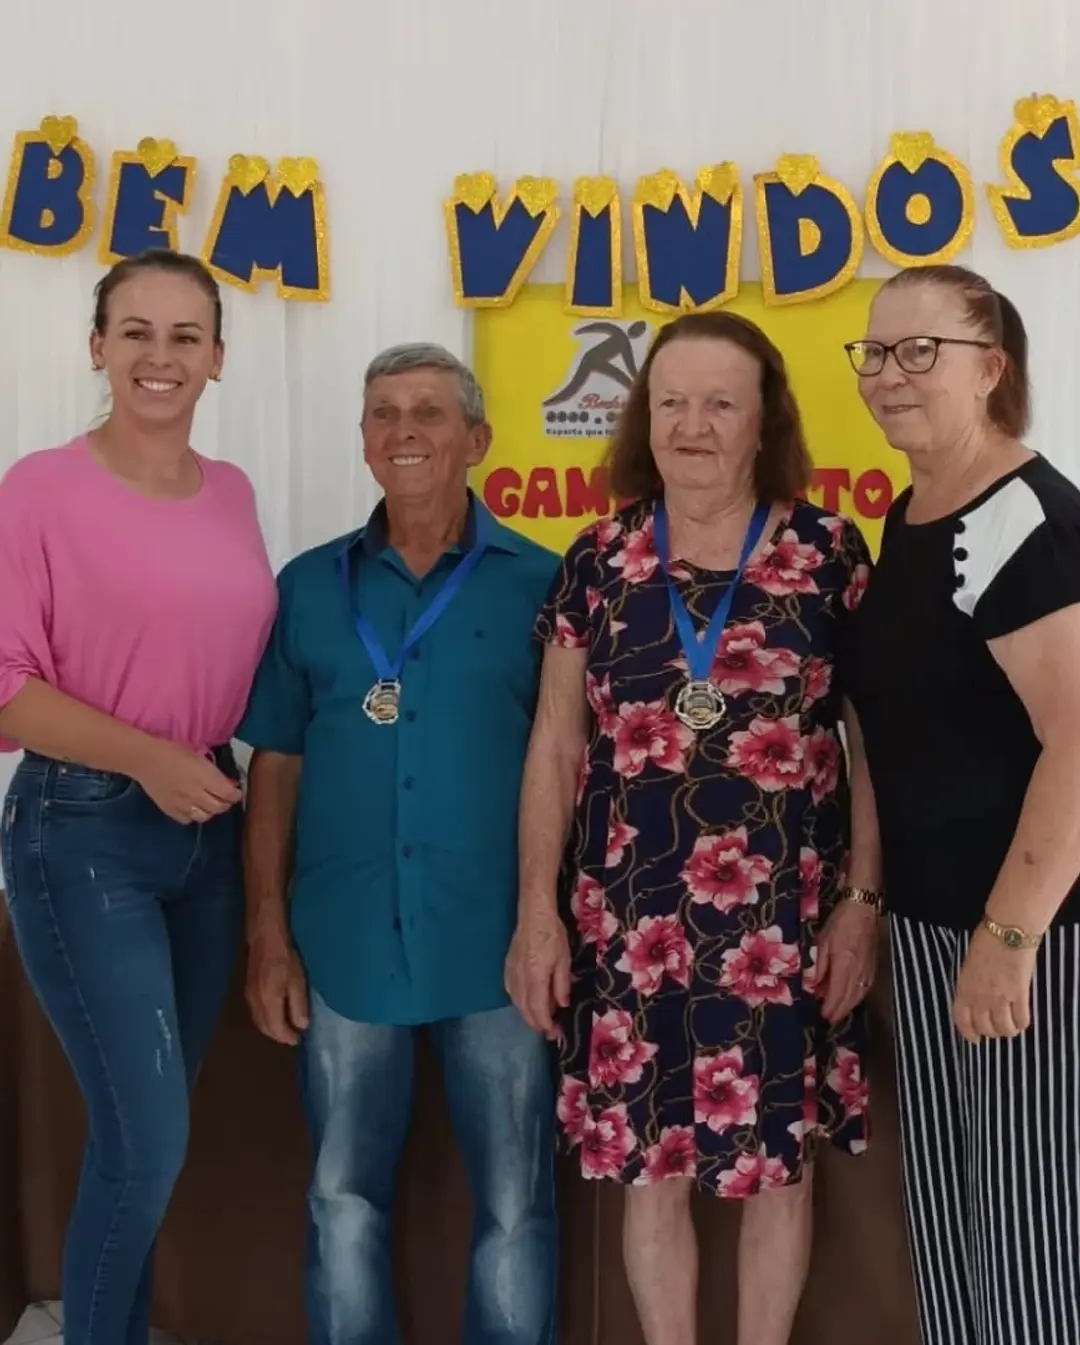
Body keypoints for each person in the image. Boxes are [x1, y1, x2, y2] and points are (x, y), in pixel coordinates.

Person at [506, 311, 881, 1345]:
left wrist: (860, 908)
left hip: (786, 926)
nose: (693, 424)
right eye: (671, 400)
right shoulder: (600, 557)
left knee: (780, 1175)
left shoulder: (826, 553)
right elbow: (551, 745)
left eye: (722, 402)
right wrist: (537, 914)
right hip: (634, 927)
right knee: (651, 1174)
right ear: (643, 417)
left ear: (766, 422)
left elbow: (874, 744)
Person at [237, 342, 560, 1345]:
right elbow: (275, 768)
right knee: (341, 1195)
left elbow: (578, 766)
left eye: (429, 412)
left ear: (478, 439)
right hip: (342, 945)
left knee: (516, 1206)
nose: (406, 432)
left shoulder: (548, 589)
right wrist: (268, 935)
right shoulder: (308, 588)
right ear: (366, 441)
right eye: (385, 414)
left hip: (499, 950)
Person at [0, 249, 276, 1345]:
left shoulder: (236, 493)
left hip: (207, 833)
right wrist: (151, 759)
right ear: (98, 348)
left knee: (142, 1133)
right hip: (84, 832)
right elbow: (11, 690)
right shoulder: (40, 488)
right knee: (147, 1136)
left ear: (216, 357)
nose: (161, 357)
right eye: (138, 332)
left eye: (185, 336)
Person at [844, 264, 1080, 1345]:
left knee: (1033, 1261)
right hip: (934, 933)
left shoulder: (1024, 520)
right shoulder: (910, 514)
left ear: (993, 367)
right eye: (876, 352)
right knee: (957, 1243)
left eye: (920, 351)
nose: (891, 375)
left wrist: (1011, 932)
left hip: (1034, 946)